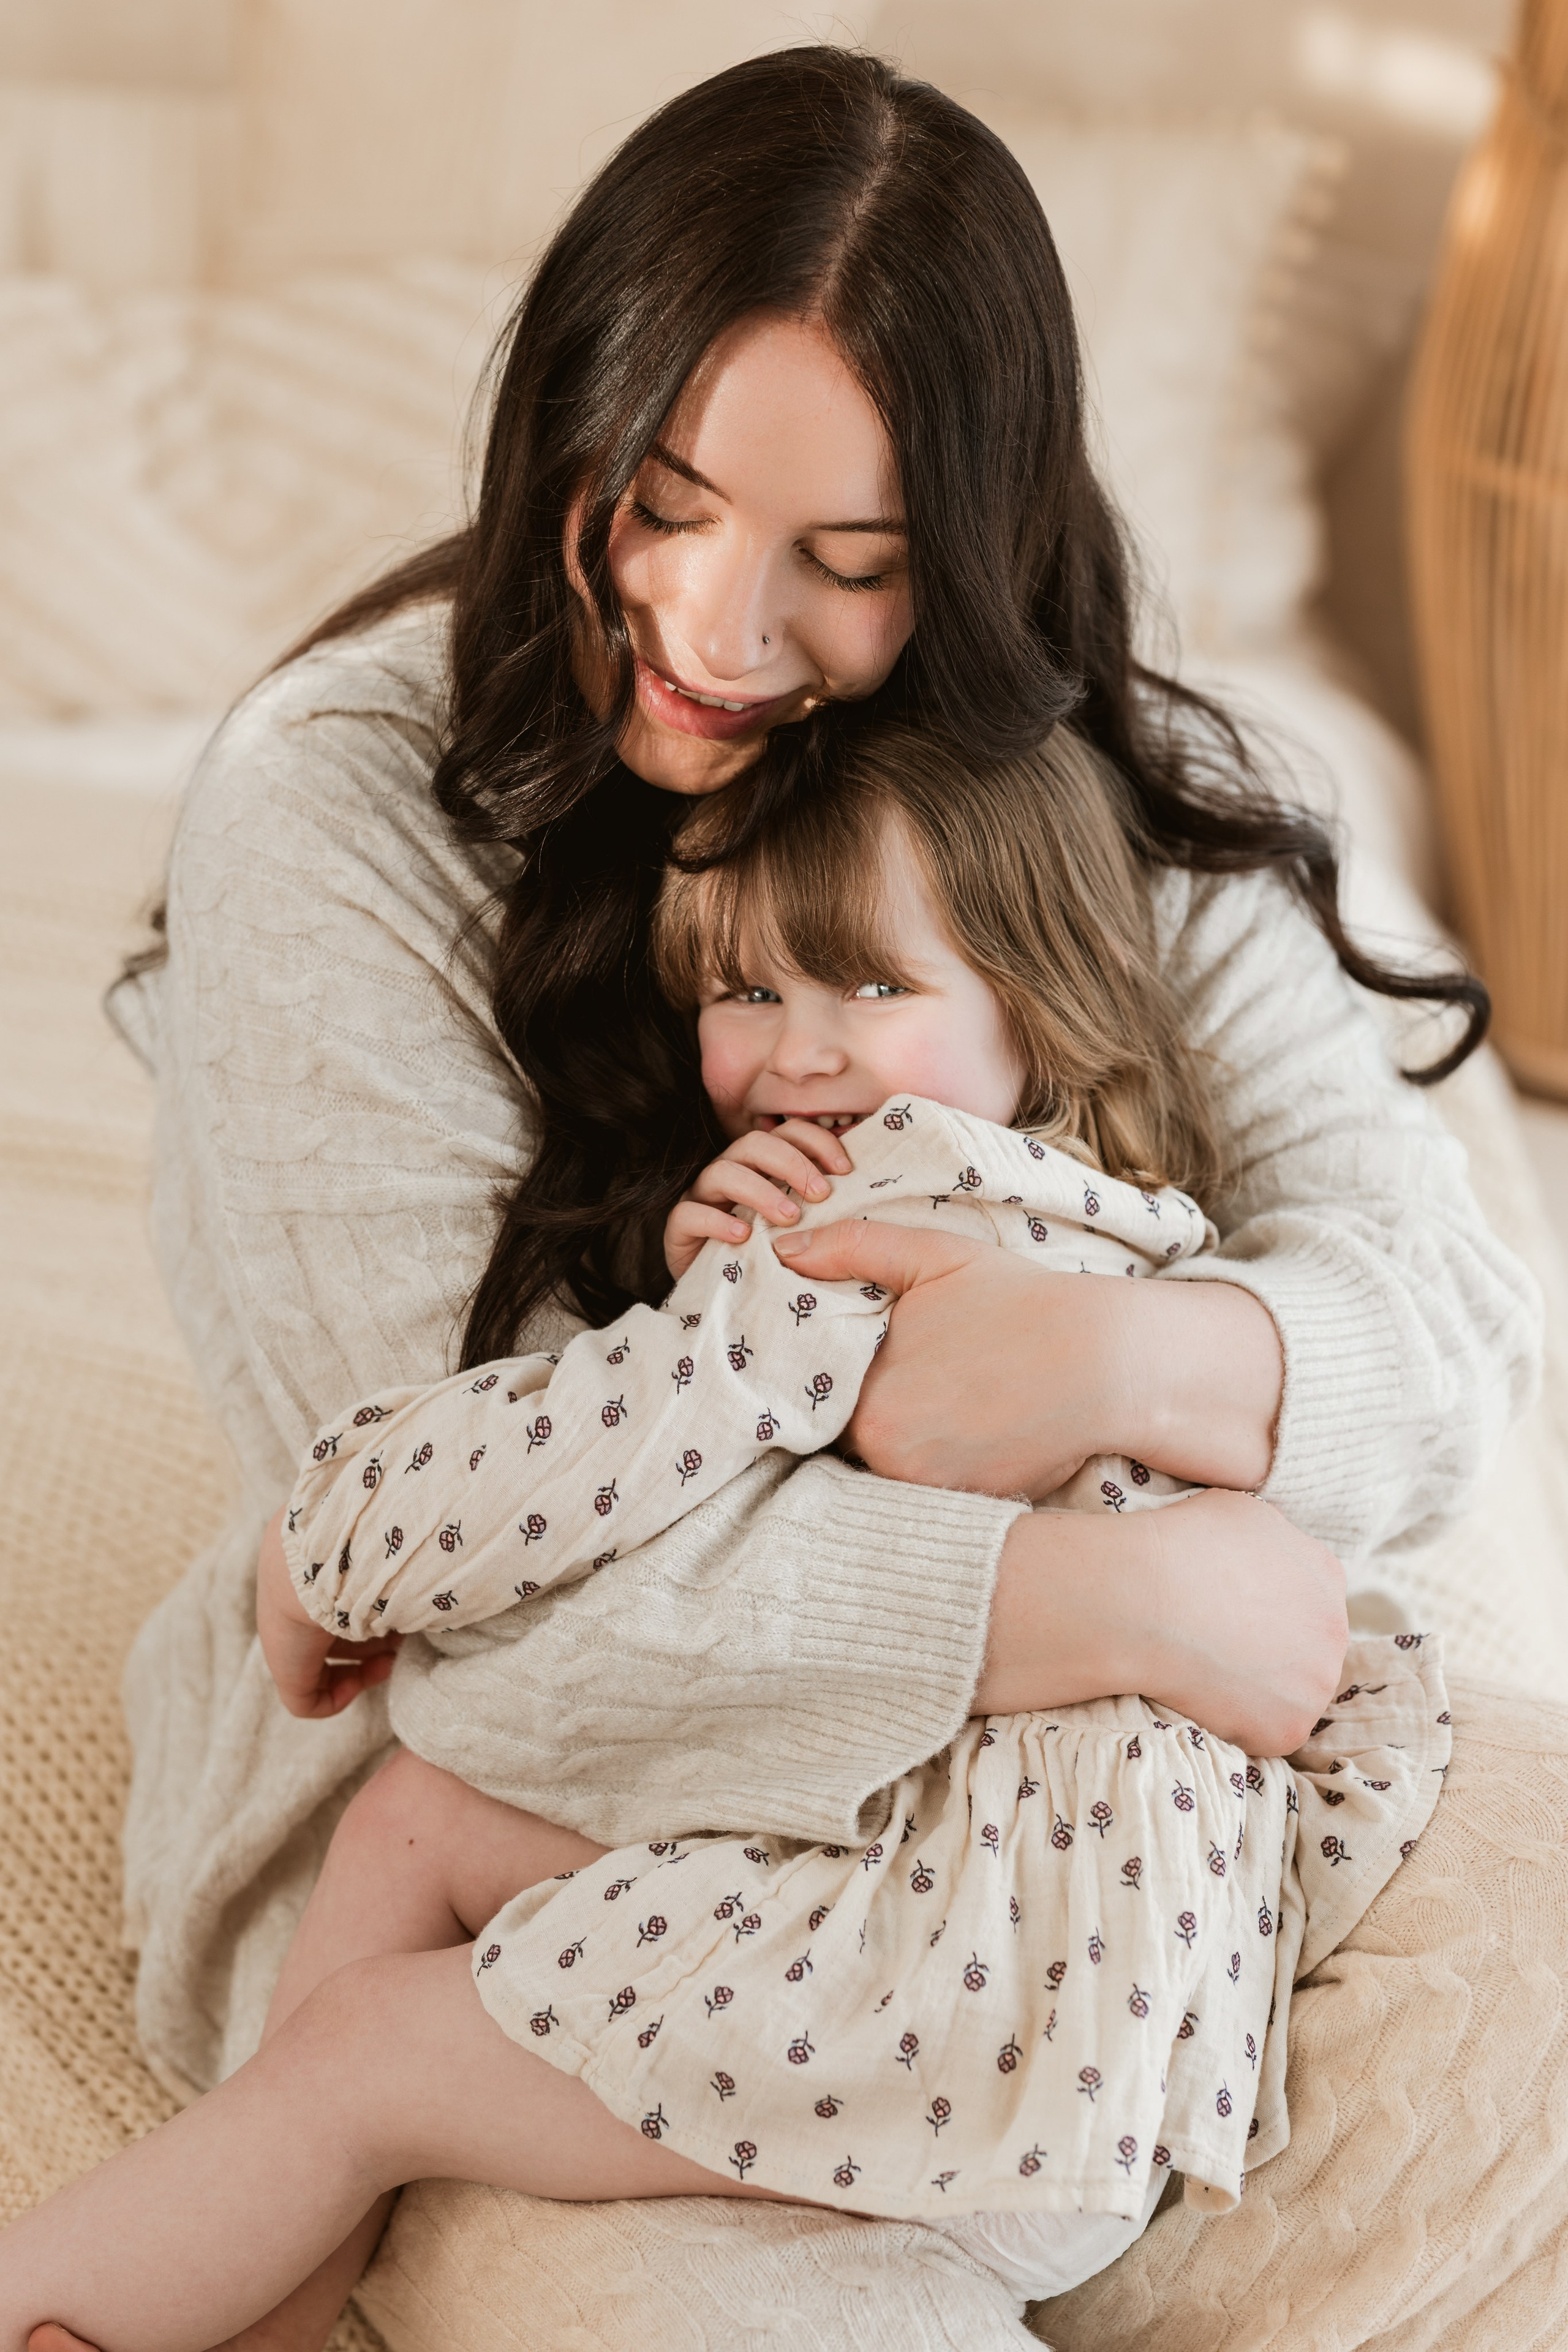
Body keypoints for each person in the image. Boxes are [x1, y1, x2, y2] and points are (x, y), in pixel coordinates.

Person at [94, 39, 1538, 2352]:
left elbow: (1460, 1320)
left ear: (964, 564)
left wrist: (1118, 1356)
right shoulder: (335, 814)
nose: (713, 627)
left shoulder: (1105, 795)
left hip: (1090, 1848)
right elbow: (496, 1629)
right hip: (526, 1837)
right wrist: (1124, 1598)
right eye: (655, 497)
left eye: (842, 569)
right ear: (560, 416)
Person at [1, 728, 1451, 2350]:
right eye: (744, 993)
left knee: (362, 2054)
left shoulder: (878, 1218)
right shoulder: (1108, 1220)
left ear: (1036, 1006)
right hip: (1074, 1971)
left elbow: (567, 1473)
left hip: (977, 2015)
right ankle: (250, 2297)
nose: (801, 1054)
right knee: (417, 1823)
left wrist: (329, 1530)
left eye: (870, 989)